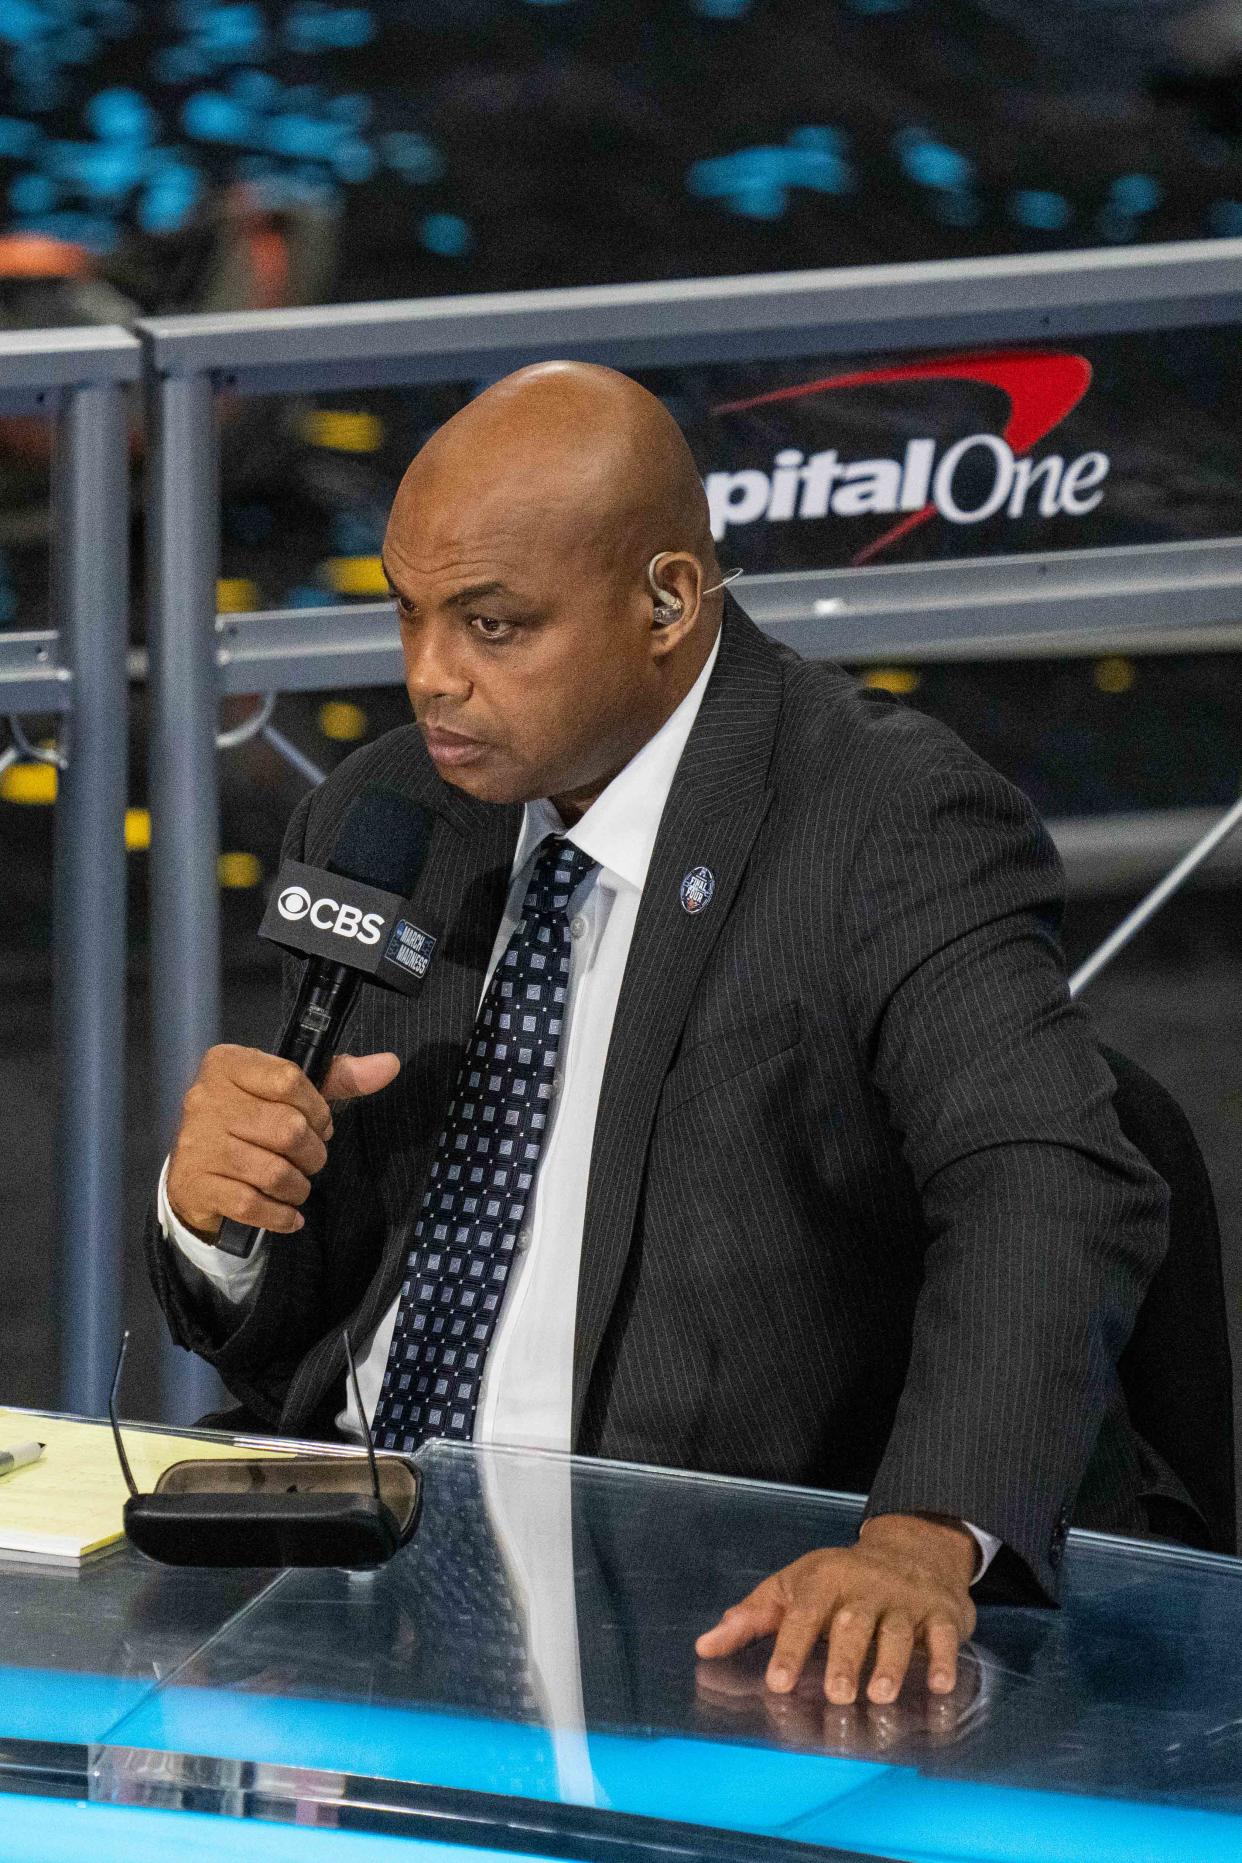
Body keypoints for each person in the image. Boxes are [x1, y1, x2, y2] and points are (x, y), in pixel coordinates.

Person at [146, 360, 1180, 1713]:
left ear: (667, 601)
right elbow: (306, 1319)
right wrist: (216, 1217)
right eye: (406, 616)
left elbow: (1044, 1179)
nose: (429, 680)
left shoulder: (884, 819)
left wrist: (920, 1538)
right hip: (345, 1574)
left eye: (493, 626)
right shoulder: (386, 813)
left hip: (687, 1601)